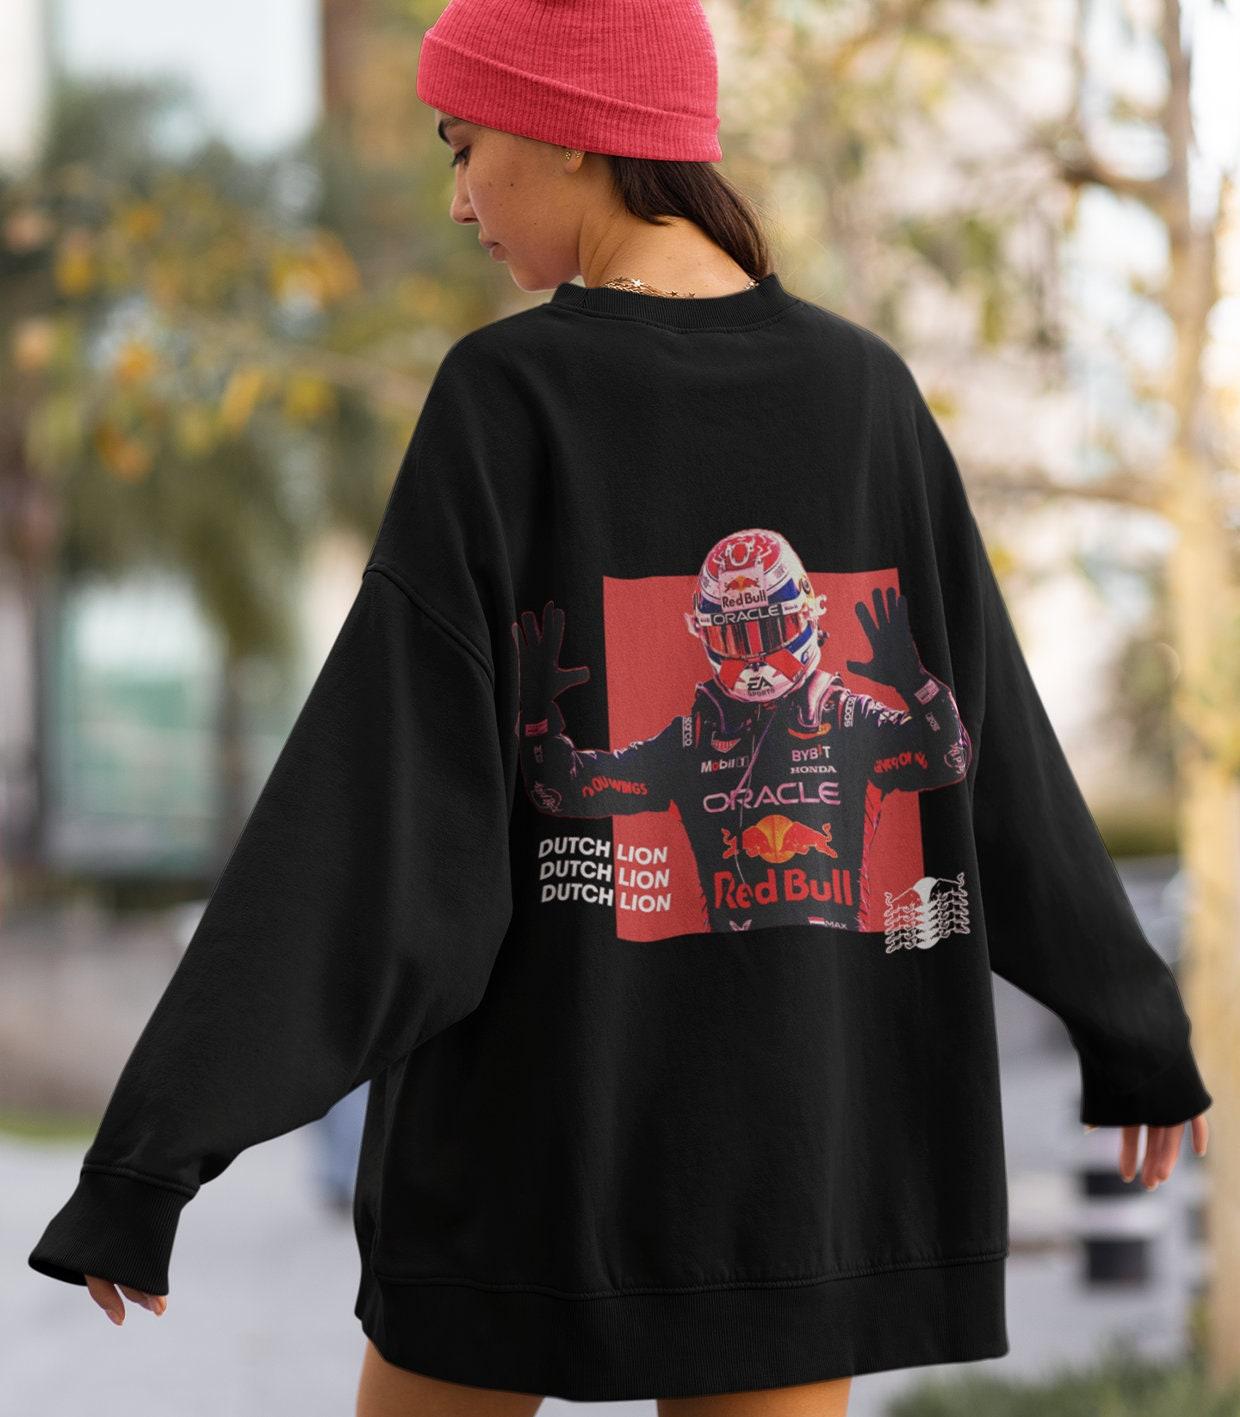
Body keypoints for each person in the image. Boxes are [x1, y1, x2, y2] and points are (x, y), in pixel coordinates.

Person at [28, 3, 1211, 1416]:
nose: (459, 199)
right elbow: (992, 752)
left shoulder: (506, 398)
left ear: (569, 132)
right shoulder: (865, 397)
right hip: (793, 1162)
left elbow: (372, 814)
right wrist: (1133, 1024)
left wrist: (151, 1157)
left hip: (530, 1146)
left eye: (462, 146)